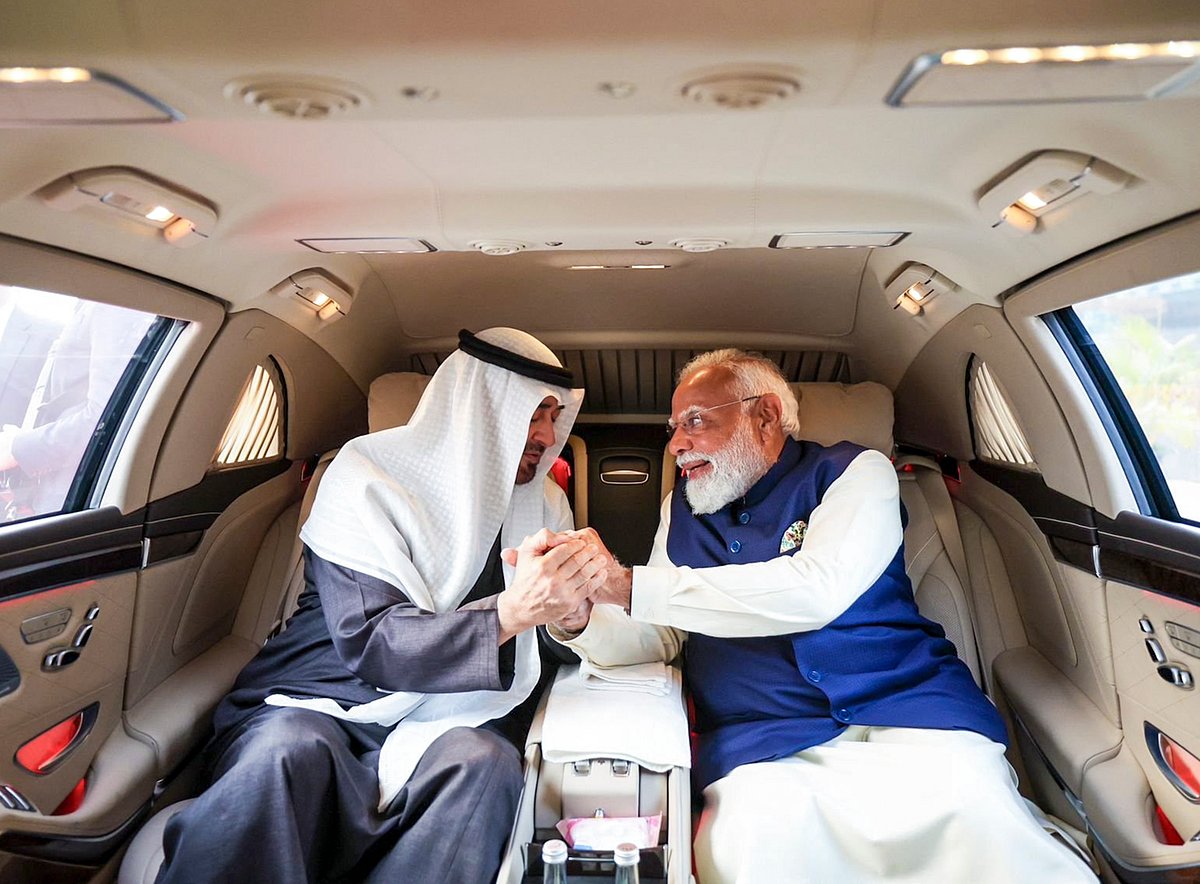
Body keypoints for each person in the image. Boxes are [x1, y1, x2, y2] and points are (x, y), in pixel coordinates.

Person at [553, 349, 1096, 883]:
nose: (676, 446)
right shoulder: (682, 508)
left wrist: (629, 584)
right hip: (766, 741)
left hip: (909, 713)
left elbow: (816, 590)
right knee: (755, 843)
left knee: (978, 819)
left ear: (763, 415)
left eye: (694, 422)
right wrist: (582, 618)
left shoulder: (856, 471)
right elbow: (663, 630)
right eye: (674, 428)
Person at [157, 327, 604, 884]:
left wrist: (571, 617)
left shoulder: (546, 503)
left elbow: (544, 651)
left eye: (552, 418)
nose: (546, 434)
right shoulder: (364, 476)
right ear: (479, 411)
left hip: (459, 712)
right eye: (532, 415)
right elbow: (372, 639)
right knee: (285, 752)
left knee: (486, 766)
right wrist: (512, 612)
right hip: (326, 698)